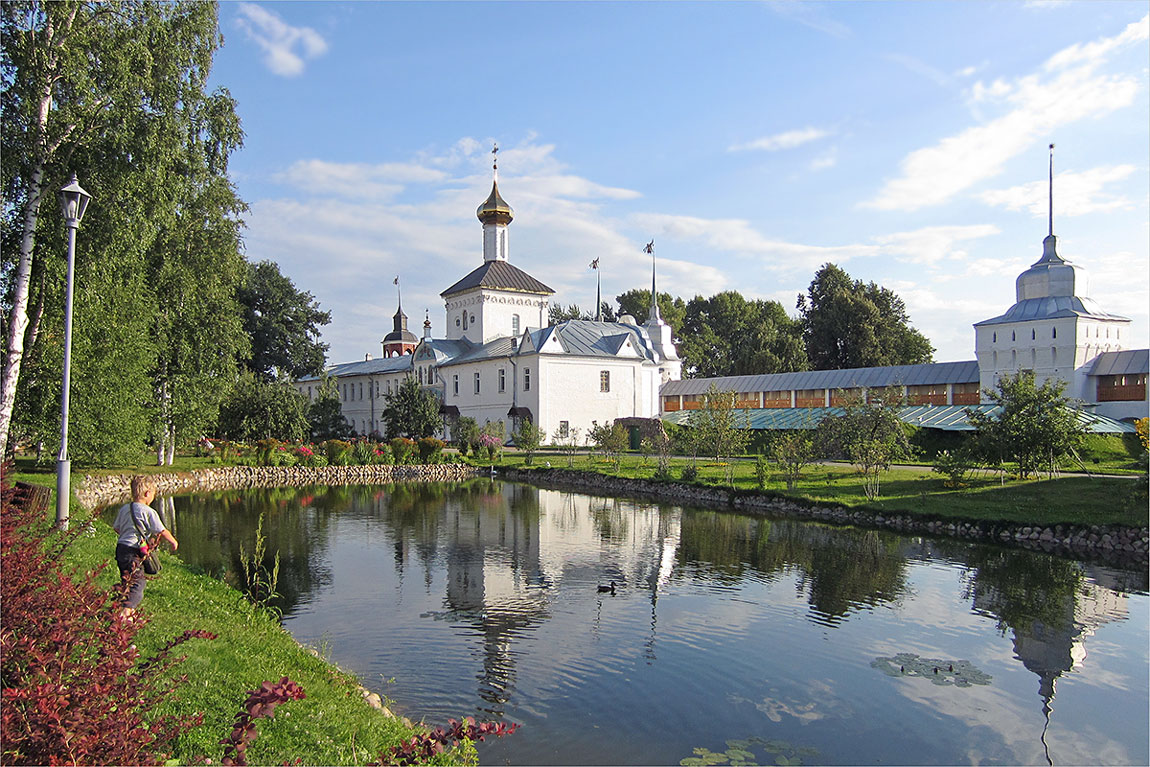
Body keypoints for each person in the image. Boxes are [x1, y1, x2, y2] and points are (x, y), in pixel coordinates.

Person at [112, 476, 178, 619]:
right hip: (134, 551)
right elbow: (161, 530)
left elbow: (117, 528)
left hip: (121, 548)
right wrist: (173, 541)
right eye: (153, 494)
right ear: (147, 493)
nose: (153, 497)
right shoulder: (148, 512)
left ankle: (127, 611)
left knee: (127, 579)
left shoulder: (124, 508)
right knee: (138, 583)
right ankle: (125, 612)